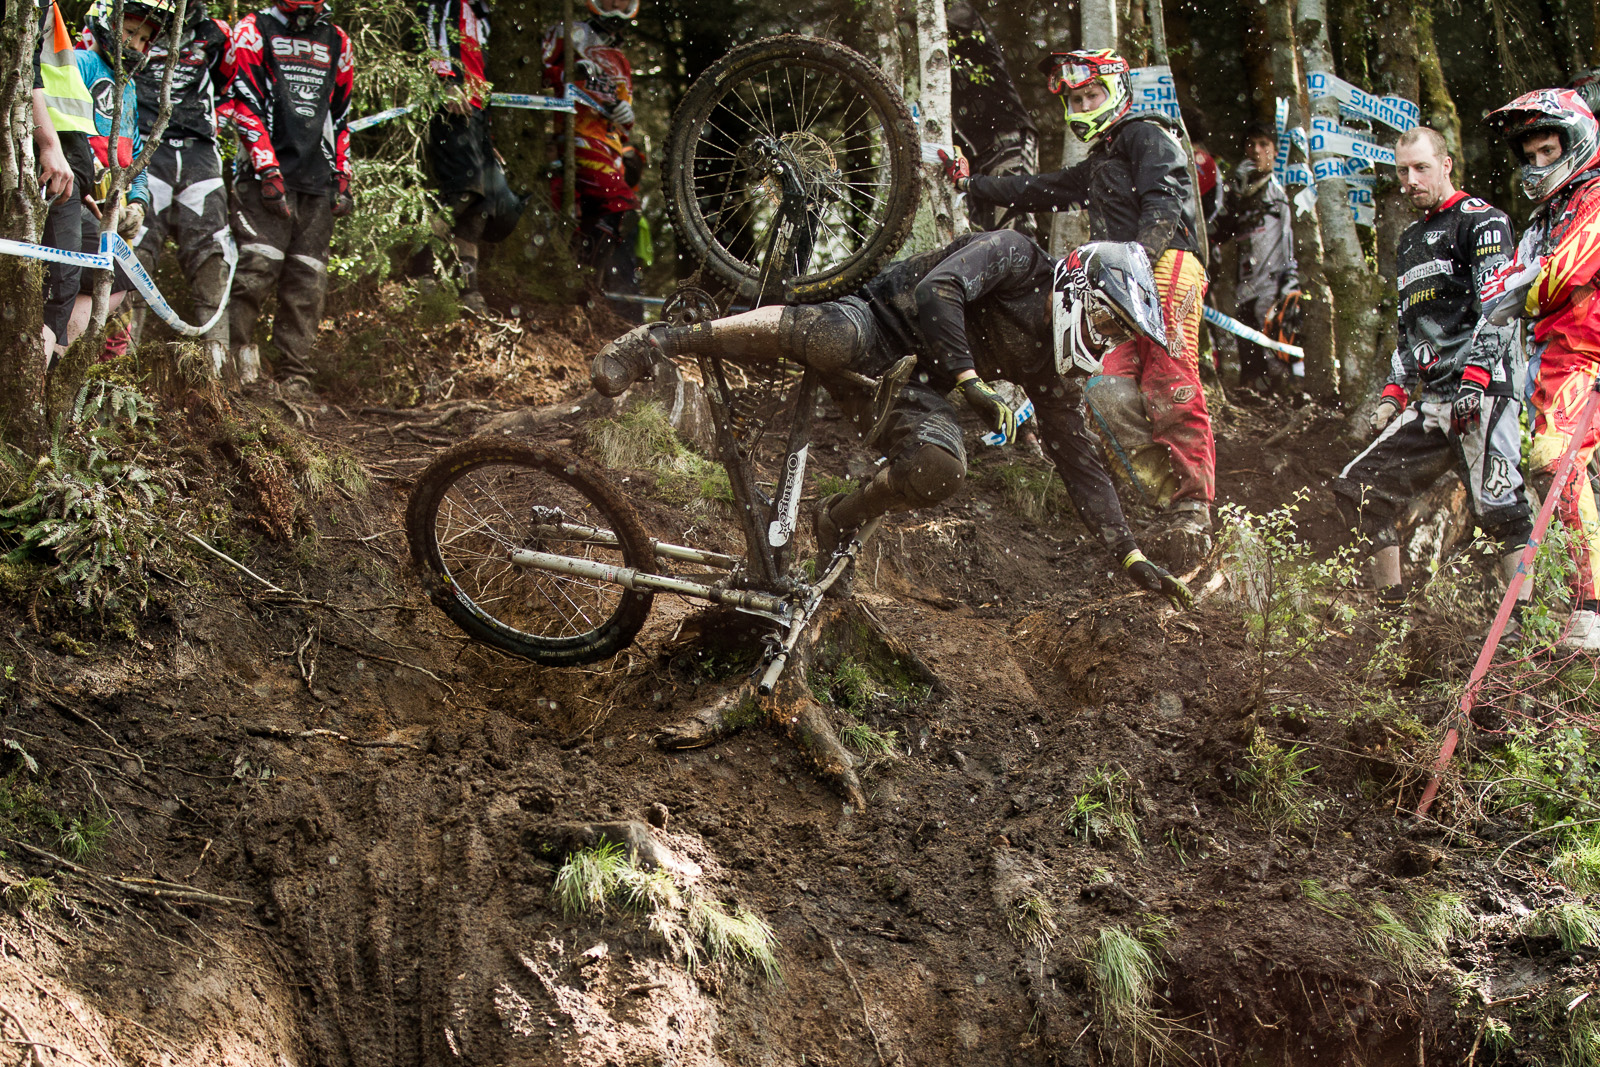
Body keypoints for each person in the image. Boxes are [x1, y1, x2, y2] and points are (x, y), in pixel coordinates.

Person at [588, 230, 1193, 608]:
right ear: (1080, 289)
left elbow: (1076, 457)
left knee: (939, 467)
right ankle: (662, 340)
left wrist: (1129, 555)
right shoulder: (1017, 255)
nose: (1107, 337)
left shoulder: (1049, 365)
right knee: (830, 335)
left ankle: (837, 520)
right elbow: (940, 290)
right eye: (1110, 321)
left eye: (1118, 332)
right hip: (877, 322)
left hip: (915, 387)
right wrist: (972, 384)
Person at [953, 49, 1213, 571]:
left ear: (1115, 90)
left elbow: (1164, 201)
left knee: (1170, 378)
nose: (1084, 103)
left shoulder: (1148, 134)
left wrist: (1142, 257)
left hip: (1164, 265)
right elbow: (1043, 187)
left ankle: (1194, 508)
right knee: (1103, 390)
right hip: (1117, 279)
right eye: (1076, 98)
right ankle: (1169, 505)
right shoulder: (1103, 156)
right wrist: (971, 182)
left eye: (1091, 94)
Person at [1330, 126, 1530, 631]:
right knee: (1359, 488)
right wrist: (1393, 394)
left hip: (1484, 390)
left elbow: (1501, 309)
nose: (1411, 179)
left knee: (1500, 509)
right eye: (1402, 171)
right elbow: (1407, 327)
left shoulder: (1482, 222)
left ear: (1445, 164)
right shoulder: (1411, 239)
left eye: (1421, 167)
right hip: (1434, 397)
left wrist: (1477, 380)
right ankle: (1392, 623)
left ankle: (1524, 634)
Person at [1483, 89, 1600, 649]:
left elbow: (1554, 278)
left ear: (1574, 143)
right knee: (1551, 468)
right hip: (1552, 353)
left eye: (1548, 152)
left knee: (1557, 463)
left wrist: (1516, 290)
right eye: (1529, 157)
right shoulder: (1547, 214)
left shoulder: (1595, 196)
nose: (1537, 166)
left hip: (1585, 352)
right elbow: (1502, 288)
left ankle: (1589, 607)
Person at [226, 0, 354, 391]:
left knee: (307, 280)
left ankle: (294, 376)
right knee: (254, 270)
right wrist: (266, 168)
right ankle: (233, 371)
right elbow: (242, 104)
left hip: (316, 180)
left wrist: (343, 173)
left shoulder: (337, 40)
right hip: (262, 176)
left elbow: (342, 113)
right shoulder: (253, 29)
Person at [50, 0, 174, 358]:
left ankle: (77, 366)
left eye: (144, 39)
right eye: (130, 32)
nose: (135, 44)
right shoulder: (82, 63)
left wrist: (137, 202)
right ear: (108, 21)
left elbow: (136, 155)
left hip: (112, 207)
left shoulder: (129, 88)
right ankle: (58, 356)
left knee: (118, 289)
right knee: (72, 279)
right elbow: (66, 130)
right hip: (77, 194)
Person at [122, 0, 234, 374]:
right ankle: (117, 367)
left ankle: (221, 373)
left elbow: (228, 83)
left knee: (211, 256)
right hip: (144, 144)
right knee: (134, 253)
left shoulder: (214, 33)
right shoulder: (123, 18)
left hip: (199, 151)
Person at [418, 0, 523, 316]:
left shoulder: (481, 16)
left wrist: (487, 138)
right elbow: (430, 34)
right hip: (450, 108)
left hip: (475, 114)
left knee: (481, 208)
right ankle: (418, 265)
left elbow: (481, 72)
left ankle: (470, 291)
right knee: (463, 193)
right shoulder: (451, 4)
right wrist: (446, 83)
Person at [542, 0, 643, 322]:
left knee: (603, 221)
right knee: (619, 206)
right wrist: (567, 73)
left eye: (623, 3)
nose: (616, 9)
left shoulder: (622, 62)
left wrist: (627, 115)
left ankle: (585, 291)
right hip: (575, 139)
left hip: (610, 147)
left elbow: (622, 112)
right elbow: (534, 68)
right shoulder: (568, 32)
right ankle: (581, 285)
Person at [1210, 120, 1298, 396]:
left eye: (1263, 145)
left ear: (1274, 151)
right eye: (1251, 145)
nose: (1256, 151)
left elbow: (1290, 237)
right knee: (1246, 337)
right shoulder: (1238, 190)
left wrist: (1290, 279)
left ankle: (1285, 392)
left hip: (1274, 278)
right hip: (1245, 279)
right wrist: (1235, 190)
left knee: (1272, 335)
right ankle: (1255, 394)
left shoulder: (1278, 192)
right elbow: (1220, 231)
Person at [34, 0, 96, 357]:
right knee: (56, 287)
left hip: (68, 161)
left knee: (109, 271)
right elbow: (23, 70)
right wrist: (48, 144)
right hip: (46, 150)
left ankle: (56, 371)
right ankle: (29, 401)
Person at [946, 1, 1037, 239]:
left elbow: (958, 17)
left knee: (1014, 227)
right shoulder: (928, 56)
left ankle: (1031, 275)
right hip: (974, 158)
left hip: (1009, 139)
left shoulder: (962, 15)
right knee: (983, 238)